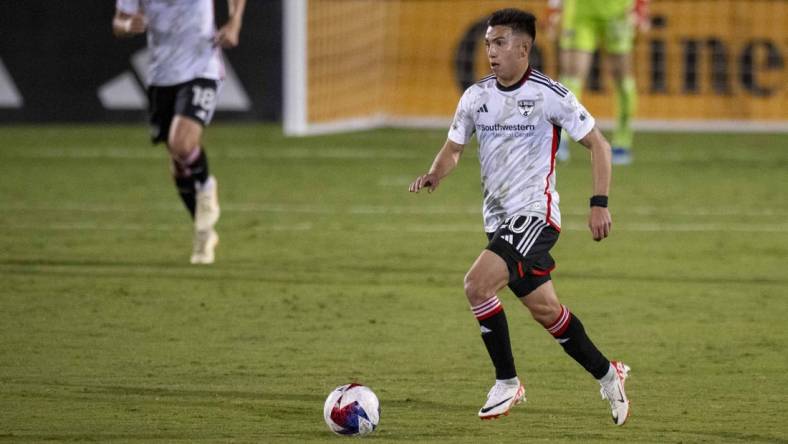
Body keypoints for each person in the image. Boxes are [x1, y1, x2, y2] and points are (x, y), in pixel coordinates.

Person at [409, 8, 630, 425]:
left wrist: (599, 201)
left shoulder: (552, 94)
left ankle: (507, 382)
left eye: (500, 43)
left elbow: (599, 145)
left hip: (535, 217)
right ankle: (608, 373)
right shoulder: (476, 97)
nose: (491, 51)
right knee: (548, 312)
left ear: (524, 47)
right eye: (488, 43)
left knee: (477, 285)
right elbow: (454, 148)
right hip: (499, 221)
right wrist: (435, 173)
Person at [112, 0, 247, 264]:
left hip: (201, 66)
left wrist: (234, 22)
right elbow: (118, 22)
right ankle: (204, 231)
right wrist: (127, 24)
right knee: (177, 161)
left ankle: (207, 186)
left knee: (182, 143)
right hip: (162, 74)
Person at [545, 0, 649, 164]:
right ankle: (560, 138)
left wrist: (640, 7)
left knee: (623, 77)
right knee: (572, 75)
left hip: (618, 11)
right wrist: (554, 9)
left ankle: (623, 141)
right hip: (580, 10)